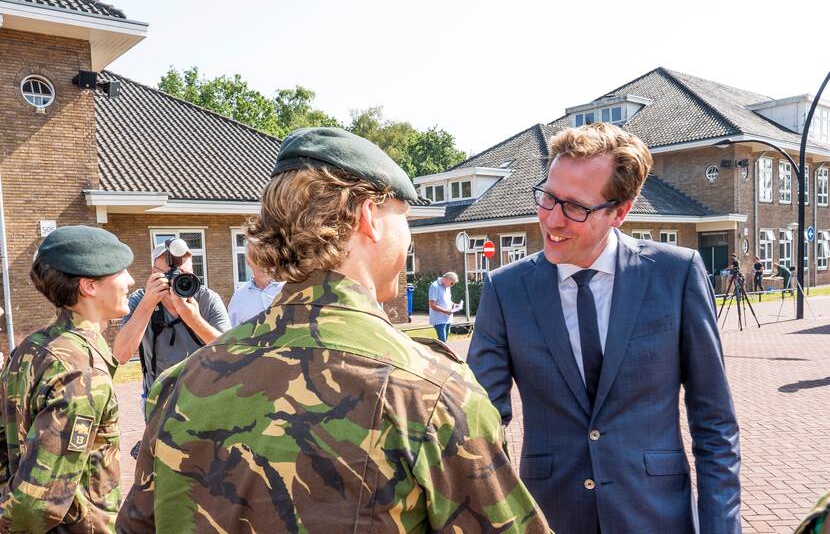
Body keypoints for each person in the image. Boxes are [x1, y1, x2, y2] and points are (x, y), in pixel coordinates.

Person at [116, 127, 550, 533]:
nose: (410, 235)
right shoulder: (429, 392)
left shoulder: (180, 386)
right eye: (405, 217)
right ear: (369, 217)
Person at [468, 123, 741, 533]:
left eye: (575, 207)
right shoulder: (505, 289)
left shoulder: (676, 274)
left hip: (656, 516)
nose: (552, 220)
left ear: (620, 211)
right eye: (548, 198)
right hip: (551, 518)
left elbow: (715, 422)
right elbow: (479, 423)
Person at [0, 226, 134, 532]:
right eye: (120, 271)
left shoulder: (32, 347)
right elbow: (37, 505)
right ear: (89, 286)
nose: (130, 280)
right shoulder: (81, 371)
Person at [112, 238, 231, 399]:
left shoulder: (207, 298)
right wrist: (148, 304)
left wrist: (193, 318)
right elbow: (121, 355)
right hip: (159, 398)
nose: (177, 280)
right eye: (170, 275)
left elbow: (229, 351)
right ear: (154, 273)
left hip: (205, 396)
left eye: (184, 274)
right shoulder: (140, 300)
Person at [227, 246, 285, 326]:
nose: (263, 264)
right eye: (257, 258)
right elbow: (231, 335)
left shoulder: (289, 290)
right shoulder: (238, 297)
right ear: (248, 261)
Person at [428, 271, 459, 341]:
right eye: (452, 283)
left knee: (444, 341)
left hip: (448, 319)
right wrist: (445, 311)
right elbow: (432, 305)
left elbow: (447, 300)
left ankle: (436, 350)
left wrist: (454, 304)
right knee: (443, 341)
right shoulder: (434, 286)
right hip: (439, 319)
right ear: (447, 279)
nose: (452, 285)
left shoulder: (447, 287)